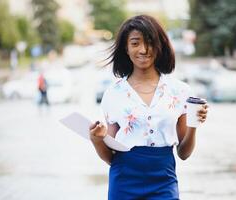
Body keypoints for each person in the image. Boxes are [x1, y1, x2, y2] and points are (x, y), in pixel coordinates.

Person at [89, 15, 208, 200]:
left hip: (164, 180)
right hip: (124, 181)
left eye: (150, 43)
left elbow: (184, 154)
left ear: (160, 46)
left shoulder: (180, 91)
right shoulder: (113, 93)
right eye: (135, 43)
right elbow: (110, 158)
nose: (144, 50)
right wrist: (96, 139)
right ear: (126, 49)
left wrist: (193, 124)